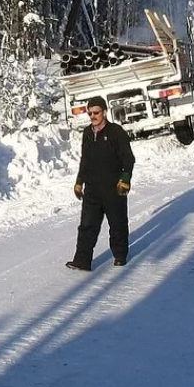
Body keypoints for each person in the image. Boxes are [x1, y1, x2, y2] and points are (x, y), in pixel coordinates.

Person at [66, 96, 136, 271]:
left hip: (114, 187)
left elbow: (128, 158)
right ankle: (82, 260)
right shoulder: (88, 133)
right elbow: (85, 160)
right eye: (90, 113)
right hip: (92, 189)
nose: (93, 116)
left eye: (96, 112)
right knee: (87, 225)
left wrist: (125, 179)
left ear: (104, 112)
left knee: (117, 223)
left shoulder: (116, 132)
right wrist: (79, 181)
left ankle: (120, 255)